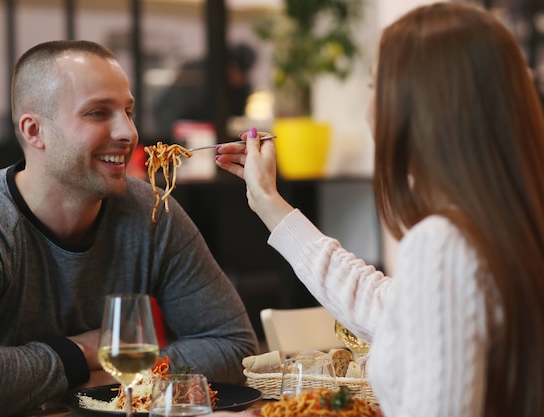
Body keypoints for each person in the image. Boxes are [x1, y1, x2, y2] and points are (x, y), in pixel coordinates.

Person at [215, 3, 544, 417]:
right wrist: (270, 204)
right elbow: (383, 306)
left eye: (374, 87)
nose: (368, 109)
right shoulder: (506, 229)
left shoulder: (443, 245)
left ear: (420, 107)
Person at [0, 40, 258, 417]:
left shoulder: (153, 211)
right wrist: (82, 353)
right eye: (98, 113)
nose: (128, 133)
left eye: (128, 111)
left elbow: (235, 347)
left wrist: (109, 382)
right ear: (34, 131)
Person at [153, 43, 256, 137]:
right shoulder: (196, 76)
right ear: (228, 66)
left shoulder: (240, 89)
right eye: (238, 71)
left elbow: (235, 119)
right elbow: (168, 113)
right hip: (180, 138)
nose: (242, 78)